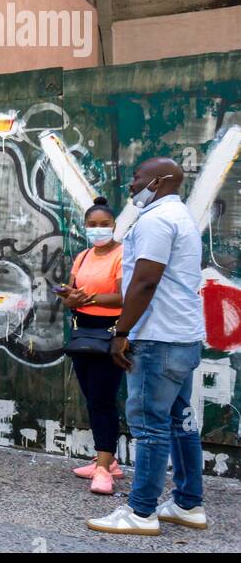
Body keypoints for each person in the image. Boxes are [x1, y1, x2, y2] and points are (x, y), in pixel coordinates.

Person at [88, 158, 207, 536]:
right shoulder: (181, 216)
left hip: (156, 338)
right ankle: (189, 504)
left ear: (160, 181)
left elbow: (144, 282)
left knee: (150, 427)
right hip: (182, 336)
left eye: (137, 178)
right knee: (180, 423)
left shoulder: (156, 220)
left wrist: (121, 332)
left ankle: (141, 512)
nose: (132, 185)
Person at [57, 197, 125, 495]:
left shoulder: (123, 255)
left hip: (109, 333)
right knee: (92, 397)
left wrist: (89, 298)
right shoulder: (83, 256)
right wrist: (68, 297)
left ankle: (104, 469)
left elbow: (123, 296)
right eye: (92, 225)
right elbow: (71, 289)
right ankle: (106, 460)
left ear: (114, 226)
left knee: (103, 400)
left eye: (104, 225)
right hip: (82, 332)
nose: (98, 230)